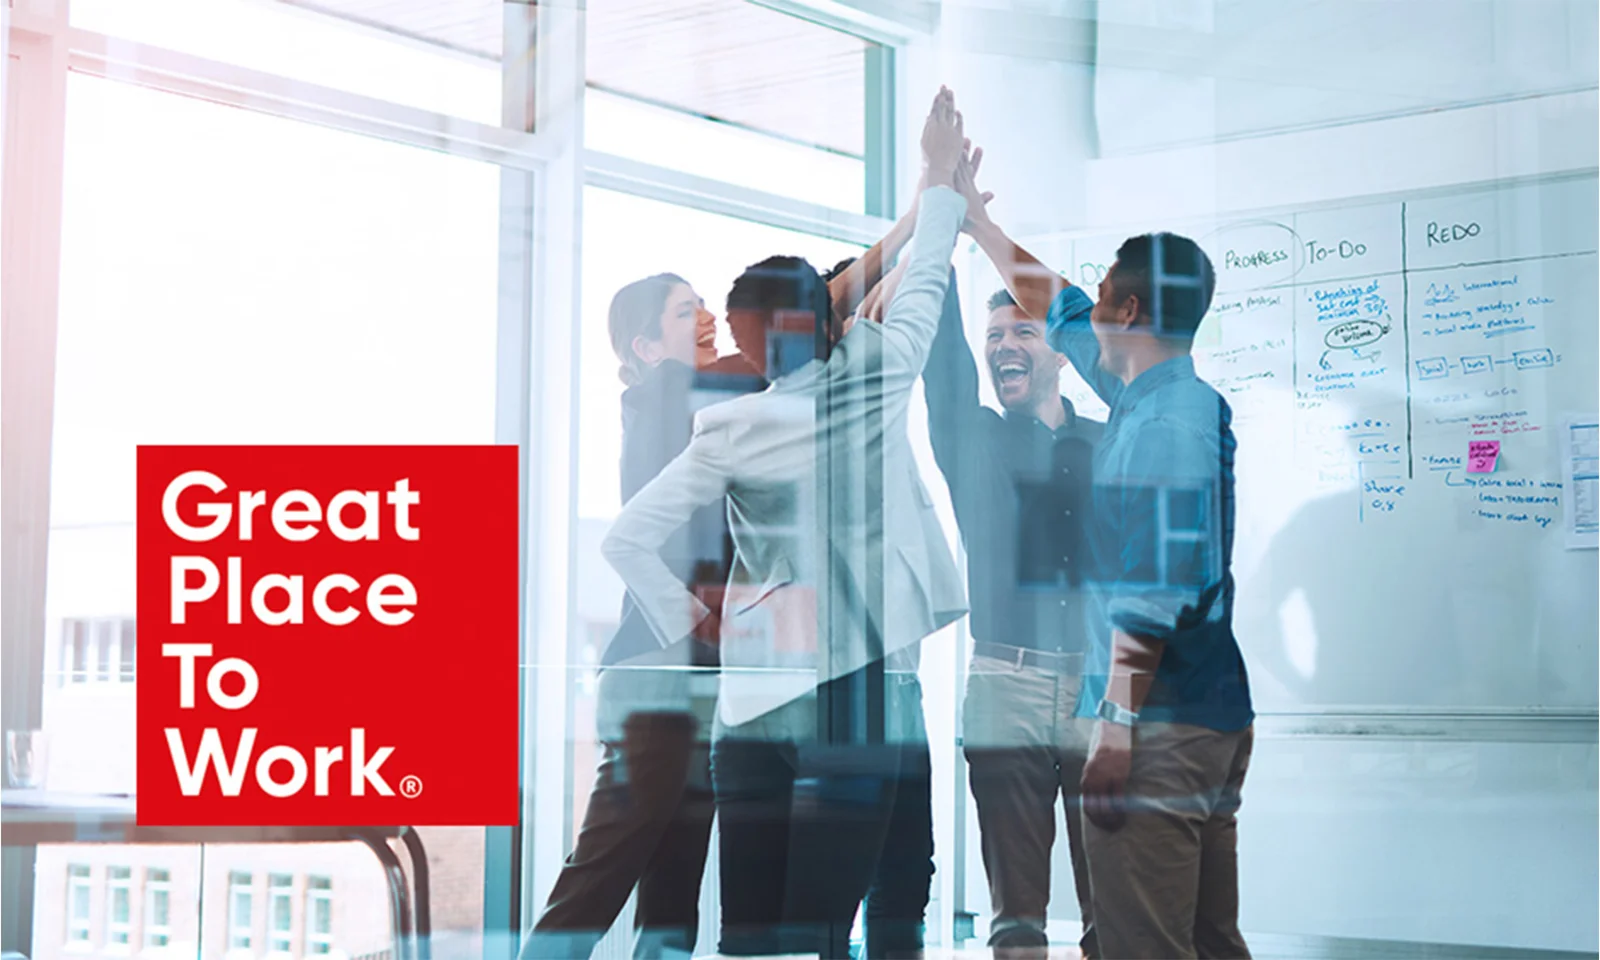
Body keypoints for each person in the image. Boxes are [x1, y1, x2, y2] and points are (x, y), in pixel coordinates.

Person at [602, 88, 972, 958]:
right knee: (821, 933)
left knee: (749, 941)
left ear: (750, 343)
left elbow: (625, 539)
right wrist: (939, 188)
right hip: (854, 698)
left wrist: (698, 619)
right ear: (830, 326)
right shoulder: (880, 372)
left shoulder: (727, 424)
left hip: (754, 702)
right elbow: (926, 276)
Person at [957, 150, 1255, 959]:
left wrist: (1115, 727)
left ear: (1125, 310)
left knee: (1142, 944)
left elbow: (1154, 590)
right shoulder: (1156, 394)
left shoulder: (1161, 425)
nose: (1084, 316)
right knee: (1205, 939)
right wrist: (979, 222)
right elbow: (1057, 304)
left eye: (1102, 300)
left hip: (1159, 720)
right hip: (1204, 707)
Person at [520, 274, 756, 960]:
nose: (709, 317)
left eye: (704, 303)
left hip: (698, 684)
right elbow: (790, 337)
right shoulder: (662, 394)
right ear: (647, 347)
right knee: (600, 877)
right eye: (687, 311)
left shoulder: (698, 407)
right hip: (656, 682)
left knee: (673, 894)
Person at [924, 264, 1103, 956]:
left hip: (1098, 692)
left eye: (1021, 330)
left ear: (1059, 351)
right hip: (1006, 686)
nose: (1003, 344)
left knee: (1115, 906)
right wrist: (943, 219)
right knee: (1017, 918)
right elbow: (942, 363)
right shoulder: (974, 439)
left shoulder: (1108, 439)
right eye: (993, 334)